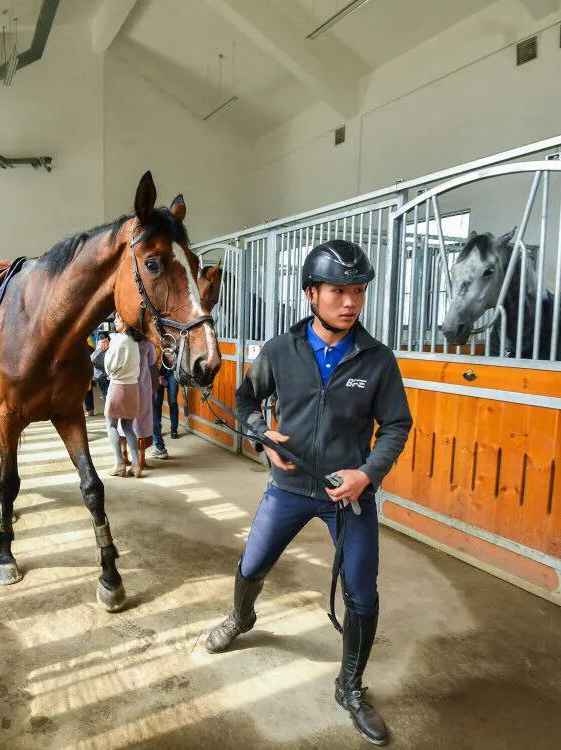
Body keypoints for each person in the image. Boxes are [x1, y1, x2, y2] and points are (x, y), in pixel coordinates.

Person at [201, 240, 412, 746]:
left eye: (358, 291)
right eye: (339, 291)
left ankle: (350, 686)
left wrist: (367, 474)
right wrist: (259, 433)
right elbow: (247, 399)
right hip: (290, 487)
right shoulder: (279, 349)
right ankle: (241, 616)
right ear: (311, 293)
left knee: (363, 592)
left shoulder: (377, 360)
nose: (351, 302)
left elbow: (397, 426)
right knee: (251, 565)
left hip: (349, 495)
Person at [104, 315, 143, 478]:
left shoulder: (119, 341)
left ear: (126, 323)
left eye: (118, 319)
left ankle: (119, 464)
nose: (115, 322)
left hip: (118, 386)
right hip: (133, 388)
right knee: (128, 428)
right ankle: (136, 465)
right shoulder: (135, 342)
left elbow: (110, 366)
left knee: (111, 425)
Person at [124, 332, 158, 470]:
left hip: (126, 383)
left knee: (125, 418)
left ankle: (124, 455)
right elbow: (152, 362)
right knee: (142, 419)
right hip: (143, 384)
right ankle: (141, 459)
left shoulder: (124, 342)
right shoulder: (148, 344)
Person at [149, 361, 179, 460]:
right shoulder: (151, 346)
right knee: (156, 407)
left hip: (171, 373)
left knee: (173, 402)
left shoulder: (171, 346)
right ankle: (159, 440)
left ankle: (173, 429)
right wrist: (156, 376)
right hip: (156, 376)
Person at [89, 330, 111, 414]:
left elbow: (92, 359)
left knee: (106, 393)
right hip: (105, 374)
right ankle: (109, 412)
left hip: (100, 375)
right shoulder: (110, 346)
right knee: (107, 393)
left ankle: (109, 412)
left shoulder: (98, 348)